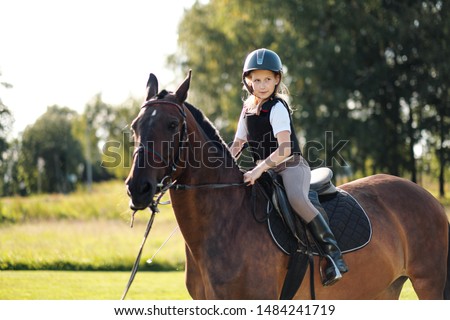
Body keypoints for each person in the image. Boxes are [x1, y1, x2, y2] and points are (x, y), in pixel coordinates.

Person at [230, 48, 348, 286]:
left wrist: (257, 170)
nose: (262, 85)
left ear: (277, 80)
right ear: (248, 82)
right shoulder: (247, 109)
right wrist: (223, 166)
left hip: (291, 166)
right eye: (256, 80)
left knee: (296, 198)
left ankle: (333, 254)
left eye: (267, 79)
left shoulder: (277, 108)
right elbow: (238, 144)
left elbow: (284, 149)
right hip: (266, 171)